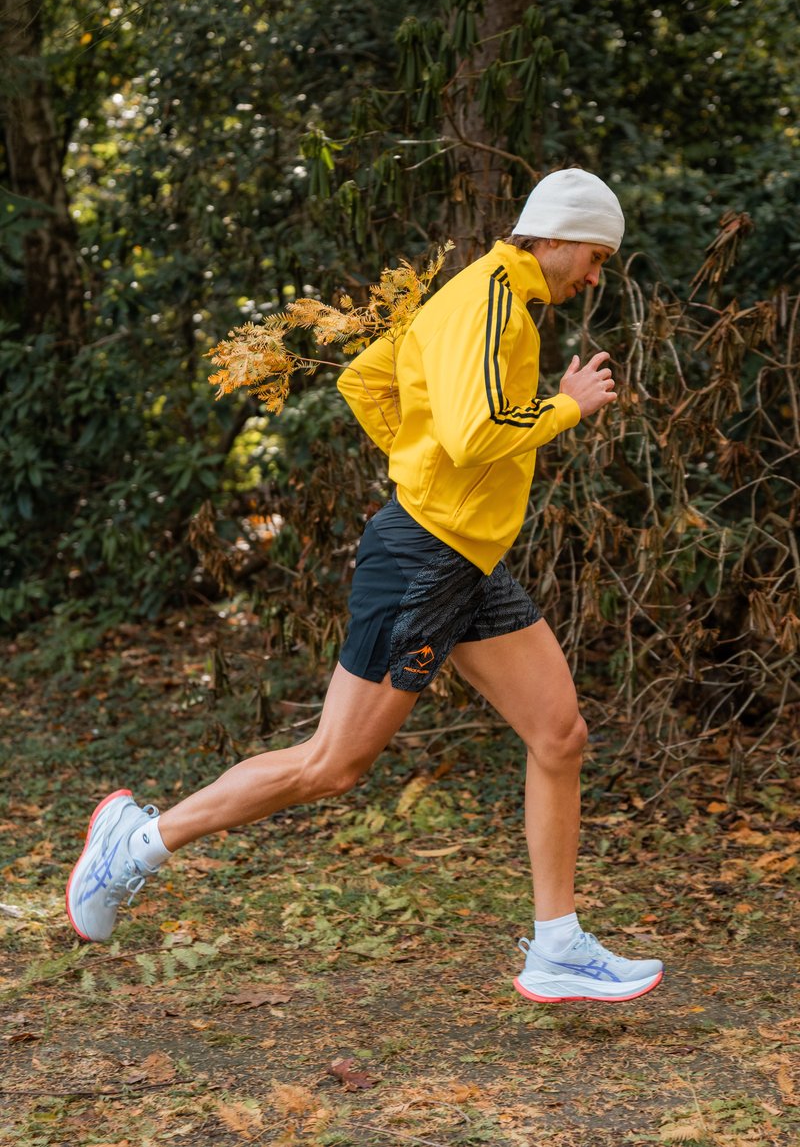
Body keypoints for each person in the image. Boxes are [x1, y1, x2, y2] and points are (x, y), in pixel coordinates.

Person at [66, 168, 663, 1004]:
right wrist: (564, 407)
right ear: (557, 236)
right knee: (334, 763)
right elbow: (470, 434)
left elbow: (366, 382)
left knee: (559, 735)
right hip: (426, 557)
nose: (596, 276)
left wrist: (416, 468)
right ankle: (136, 845)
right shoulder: (489, 299)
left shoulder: (478, 298)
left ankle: (557, 947)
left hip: (464, 555)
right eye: (596, 257)